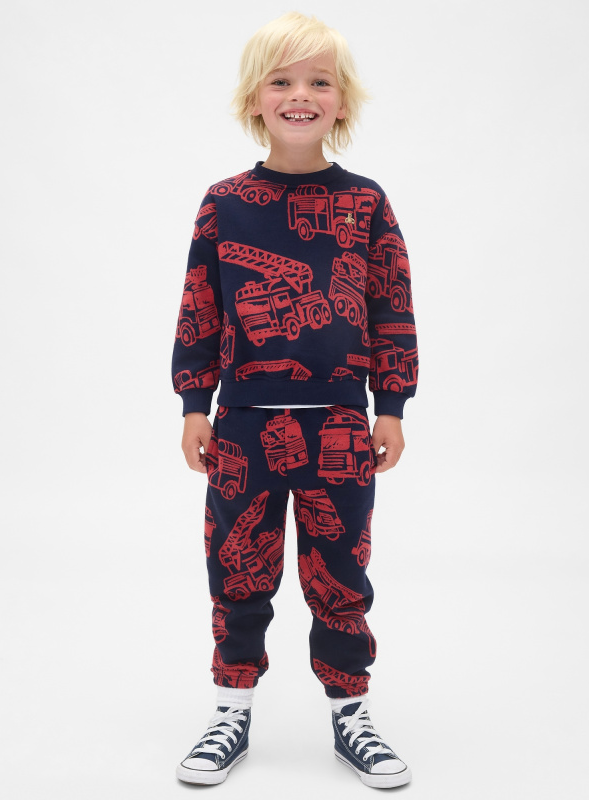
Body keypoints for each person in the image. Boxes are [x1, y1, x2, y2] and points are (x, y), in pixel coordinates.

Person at [171, 11, 419, 789]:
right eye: (281, 81)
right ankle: (230, 709)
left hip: (342, 426)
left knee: (340, 576)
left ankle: (352, 714)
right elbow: (200, 307)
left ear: (342, 102)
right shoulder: (224, 203)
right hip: (244, 425)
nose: (300, 95)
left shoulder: (367, 204)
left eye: (319, 82)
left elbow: (391, 305)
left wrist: (392, 404)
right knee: (237, 569)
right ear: (256, 98)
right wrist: (193, 402)